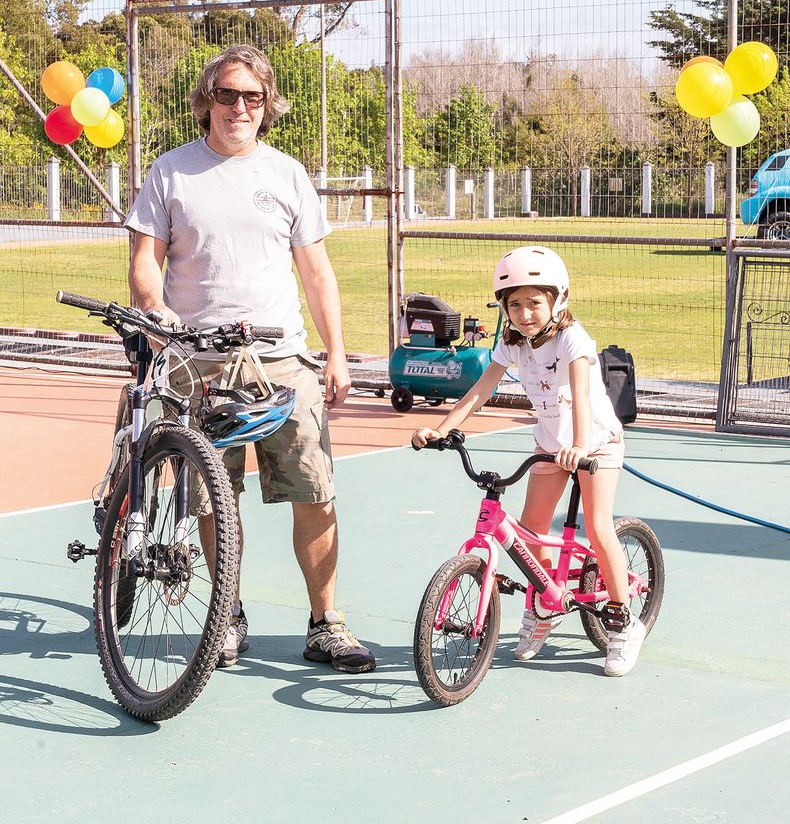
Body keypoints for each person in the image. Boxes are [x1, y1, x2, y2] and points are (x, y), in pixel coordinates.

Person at [124, 44, 375, 674]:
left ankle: (326, 623)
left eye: (253, 97)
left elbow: (317, 273)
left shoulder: (287, 175)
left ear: (267, 106)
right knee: (212, 498)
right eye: (228, 95)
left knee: (313, 492)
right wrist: (157, 314)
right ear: (206, 100)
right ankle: (227, 615)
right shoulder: (170, 172)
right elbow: (144, 264)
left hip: (283, 364)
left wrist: (338, 355)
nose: (240, 107)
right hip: (197, 363)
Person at [411, 245, 645, 678]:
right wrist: (442, 429)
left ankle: (622, 621)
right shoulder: (512, 344)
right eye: (513, 304)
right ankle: (545, 606)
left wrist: (578, 446)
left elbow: (576, 394)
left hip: (594, 443)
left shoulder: (573, 339)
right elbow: (480, 391)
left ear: (558, 300)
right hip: (550, 444)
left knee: (598, 527)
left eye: (534, 302)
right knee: (530, 531)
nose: (524, 313)